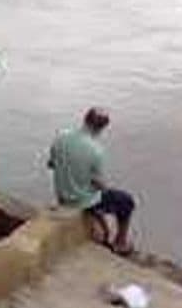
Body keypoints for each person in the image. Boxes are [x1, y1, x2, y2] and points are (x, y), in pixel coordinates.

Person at [47, 107, 136, 255]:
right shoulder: (96, 151)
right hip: (83, 201)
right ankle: (120, 243)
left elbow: (51, 164)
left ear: (85, 119)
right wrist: (105, 187)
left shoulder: (60, 137)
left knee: (103, 199)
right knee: (126, 201)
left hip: (63, 196)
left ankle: (101, 226)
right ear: (102, 128)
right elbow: (97, 183)